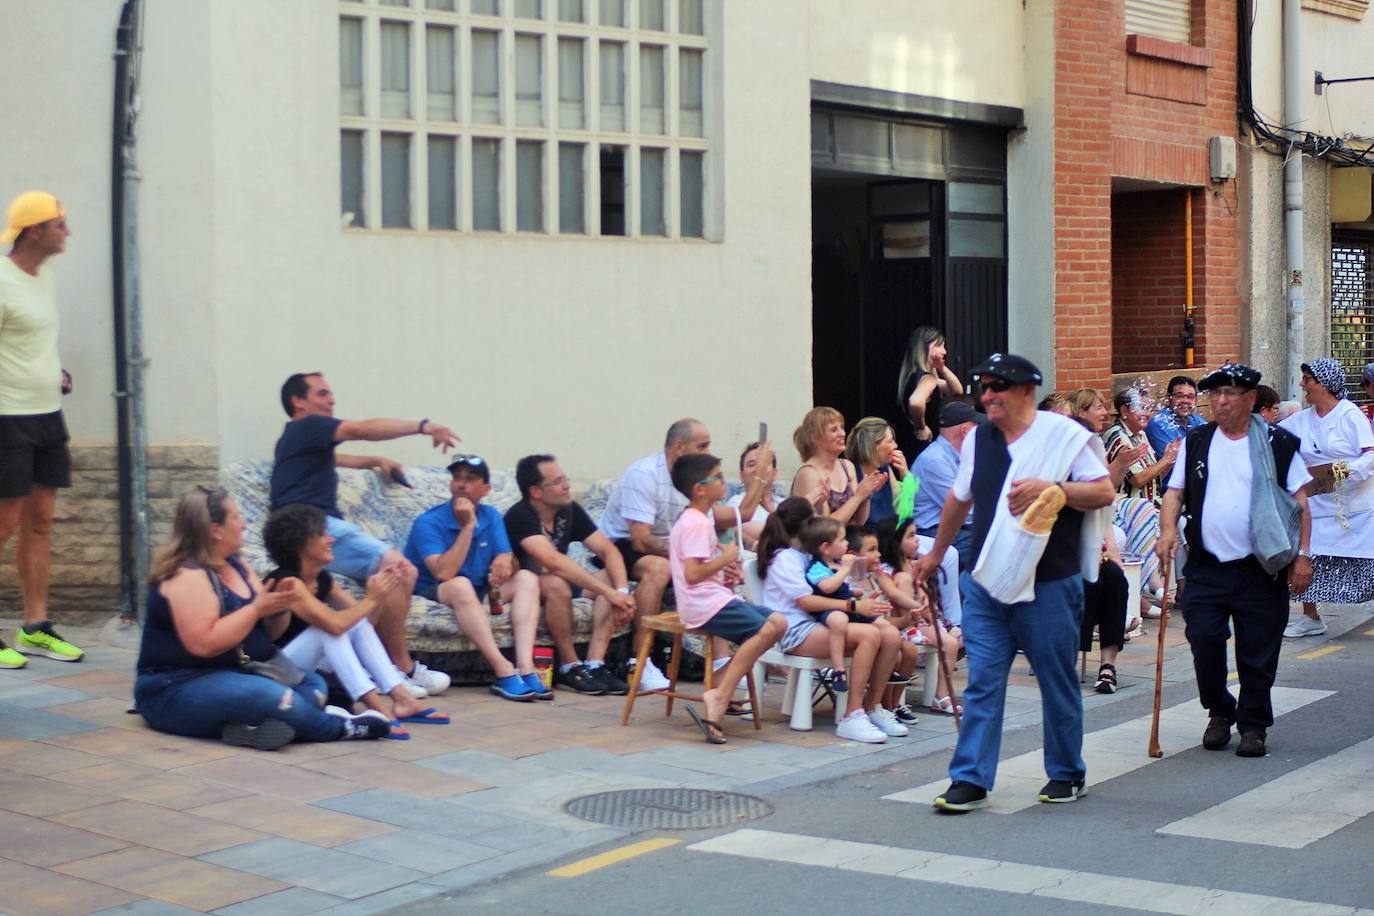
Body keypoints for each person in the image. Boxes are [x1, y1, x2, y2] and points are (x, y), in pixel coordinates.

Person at [914, 353, 1115, 812]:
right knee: (982, 681)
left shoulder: (1065, 436)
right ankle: (969, 779)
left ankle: (1066, 772)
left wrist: (1057, 490)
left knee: (1055, 679)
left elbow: (1103, 492)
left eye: (997, 387)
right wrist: (936, 555)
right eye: (984, 387)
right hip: (986, 579)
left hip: (1048, 581)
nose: (987, 396)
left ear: (1026, 391)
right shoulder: (979, 439)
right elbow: (958, 499)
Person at [134, 487, 390, 749]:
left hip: (236, 672)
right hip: (176, 687)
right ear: (215, 530)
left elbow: (269, 633)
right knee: (275, 697)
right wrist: (256, 609)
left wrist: (277, 609)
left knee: (313, 684)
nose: (244, 523)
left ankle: (245, 727)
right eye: (236, 517)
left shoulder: (237, 565)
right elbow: (204, 644)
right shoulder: (187, 576)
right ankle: (339, 728)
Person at [1157, 363, 1313, 758]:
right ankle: (1220, 709)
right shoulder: (1197, 440)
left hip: (1261, 567)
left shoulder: (1278, 443)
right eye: (1216, 394)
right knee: (1204, 639)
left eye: (1230, 394)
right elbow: (1174, 493)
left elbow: (1300, 505)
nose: (1221, 402)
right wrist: (1168, 531)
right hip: (1208, 566)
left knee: (1258, 650)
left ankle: (1253, 725)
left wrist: (1302, 557)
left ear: (1249, 399)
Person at [271, 372, 460, 697]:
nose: (331, 400)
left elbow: (332, 458)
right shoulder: (311, 425)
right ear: (298, 402)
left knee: (390, 578)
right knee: (401, 570)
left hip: (296, 528)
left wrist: (372, 462)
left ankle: (379, 671)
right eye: (322, 394)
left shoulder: (295, 437)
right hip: (313, 525)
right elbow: (361, 429)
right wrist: (424, 426)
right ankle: (401, 668)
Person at [598, 419, 770, 691]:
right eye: (703, 446)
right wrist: (697, 558)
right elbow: (641, 539)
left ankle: (720, 665)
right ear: (679, 447)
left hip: (675, 546)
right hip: (623, 544)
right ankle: (640, 662)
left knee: (719, 579)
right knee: (658, 569)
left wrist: (761, 476)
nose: (708, 452)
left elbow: (742, 515)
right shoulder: (644, 475)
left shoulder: (692, 483)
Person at [0, 191, 84, 669]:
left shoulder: (45, 279)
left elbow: (33, 344)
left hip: (47, 415)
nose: (67, 232)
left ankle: (34, 627)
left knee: (41, 521)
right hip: (6, 417)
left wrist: (56, 372)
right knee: (4, 524)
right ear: (35, 231)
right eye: (60, 224)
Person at [262, 504, 437, 730]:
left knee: (347, 625)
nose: (331, 539)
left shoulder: (322, 579)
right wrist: (371, 599)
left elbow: (363, 625)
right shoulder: (288, 584)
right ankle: (378, 709)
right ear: (302, 544)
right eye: (322, 534)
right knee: (327, 630)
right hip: (276, 668)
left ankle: (403, 699)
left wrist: (380, 593)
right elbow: (335, 625)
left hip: (308, 665)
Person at [758, 497, 905, 744]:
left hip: (819, 624)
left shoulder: (806, 555)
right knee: (869, 635)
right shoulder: (785, 558)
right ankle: (851, 715)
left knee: (890, 634)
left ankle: (872, 707)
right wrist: (854, 606)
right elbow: (806, 602)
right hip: (795, 630)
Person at [665, 453, 786, 743]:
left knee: (779, 622)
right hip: (702, 603)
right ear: (700, 489)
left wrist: (724, 566)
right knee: (765, 629)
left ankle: (720, 683)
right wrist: (727, 558)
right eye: (718, 477)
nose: (724, 482)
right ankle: (720, 696)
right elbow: (693, 574)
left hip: (714, 595)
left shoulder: (699, 519)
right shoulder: (696, 522)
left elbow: (702, 565)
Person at [404, 455, 546, 701]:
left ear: (485, 489)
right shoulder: (428, 522)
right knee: (460, 585)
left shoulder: (491, 516)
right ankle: (503, 671)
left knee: (527, 579)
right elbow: (443, 573)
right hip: (432, 589)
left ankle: (526, 668)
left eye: (470, 479)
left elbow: (507, 557)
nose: (461, 484)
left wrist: (506, 560)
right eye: (457, 478)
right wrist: (467, 527)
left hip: (478, 587)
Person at [504, 454, 636, 695]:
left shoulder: (569, 510)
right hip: (525, 585)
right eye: (557, 482)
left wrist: (622, 593)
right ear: (536, 491)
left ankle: (595, 664)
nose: (567, 486)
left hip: (560, 580)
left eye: (565, 479)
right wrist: (609, 593)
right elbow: (552, 561)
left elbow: (608, 550)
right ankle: (569, 666)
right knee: (556, 582)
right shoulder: (520, 515)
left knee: (608, 576)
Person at [1279, 358, 1374, 639]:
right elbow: (1275, 438)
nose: (1302, 385)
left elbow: (1370, 454)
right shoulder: (1300, 420)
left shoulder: (1349, 415)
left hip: (1355, 505)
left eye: (1307, 379)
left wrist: (1348, 469)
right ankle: (1310, 616)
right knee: (1308, 557)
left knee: (1367, 560)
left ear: (1324, 383)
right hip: (1318, 505)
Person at [876, 516, 963, 714]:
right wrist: (919, 610)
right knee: (949, 643)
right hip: (904, 623)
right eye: (911, 536)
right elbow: (894, 598)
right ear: (895, 542)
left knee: (952, 642)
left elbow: (925, 596)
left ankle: (942, 695)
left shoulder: (916, 566)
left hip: (922, 620)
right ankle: (934, 696)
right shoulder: (888, 571)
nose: (917, 540)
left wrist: (928, 607)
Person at [912, 401, 982, 571]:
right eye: (977, 428)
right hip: (931, 532)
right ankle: (973, 596)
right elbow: (964, 511)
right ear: (965, 431)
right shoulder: (935, 460)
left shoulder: (958, 456)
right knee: (992, 547)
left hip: (957, 530)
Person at [790, 407, 886, 527]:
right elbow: (826, 526)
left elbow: (859, 521)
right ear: (814, 437)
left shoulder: (847, 466)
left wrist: (867, 494)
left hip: (848, 540)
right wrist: (858, 496)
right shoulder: (809, 473)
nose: (842, 434)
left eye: (842, 428)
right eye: (834, 430)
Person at [798, 516, 863, 691]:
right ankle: (838, 669)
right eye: (842, 540)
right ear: (825, 548)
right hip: (829, 608)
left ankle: (890, 664)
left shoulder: (837, 563)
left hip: (847, 605)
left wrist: (855, 592)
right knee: (838, 620)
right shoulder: (817, 568)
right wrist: (845, 569)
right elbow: (828, 587)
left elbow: (842, 587)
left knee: (879, 620)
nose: (847, 543)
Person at [896, 326, 963, 455]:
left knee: (910, 474)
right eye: (939, 346)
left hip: (909, 442)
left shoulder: (913, 376)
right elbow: (915, 402)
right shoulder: (928, 378)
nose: (944, 351)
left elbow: (957, 391)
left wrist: (942, 368)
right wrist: (921, 426)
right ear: (924, 348)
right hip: (924, 444)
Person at [1103, 388, 1177, 503]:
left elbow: (1153, 478)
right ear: (1124, 411)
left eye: (1148, 409)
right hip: (1129, 511)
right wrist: (1167, 459)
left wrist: (1169, 461)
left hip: (1150, 506)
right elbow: (1137, 479)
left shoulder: (1141, 434)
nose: (1147, 414)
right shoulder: (1118, 436)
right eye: (1140, 408)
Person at [845, 417, 910, 530]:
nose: (895, 446)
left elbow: (905, 511)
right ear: (873, 446)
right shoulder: (852, 473)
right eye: (890, 441)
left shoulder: (885, 469)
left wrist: (905, 474)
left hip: (889, 535)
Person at [725, 441, 777, 549]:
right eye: (752, 465)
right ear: (742, 476)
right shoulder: (736, 503)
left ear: (775, 473)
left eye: (764, 464)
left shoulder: (783, 503)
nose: (759, 470)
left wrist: (768, 504)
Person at [1145, 375, 1206, 457]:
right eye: (1179, 396)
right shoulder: (1159, 423)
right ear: (1168, 398)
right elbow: (1174, 461)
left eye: (1190, 397)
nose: (1185, 401)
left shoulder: (1196, 420)